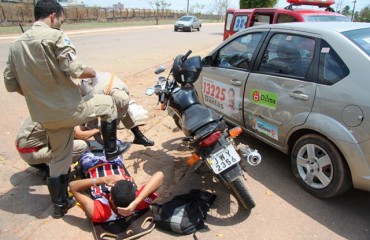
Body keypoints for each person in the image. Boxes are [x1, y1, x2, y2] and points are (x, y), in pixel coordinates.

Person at [3, 0, 129, 218]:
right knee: (109, 104)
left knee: (60, 159)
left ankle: (60, 205)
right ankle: (111, 150)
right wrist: (92, 72)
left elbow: (11, 84)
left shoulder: (15, 46)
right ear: (53, 15)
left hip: (45, 117)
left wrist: (39, 97)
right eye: (61, 19)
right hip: (69, 110)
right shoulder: (56, 36)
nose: (61, 23)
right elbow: (75, 68)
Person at [69, 151, 164, 222]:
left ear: (110, 198)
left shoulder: (101, 212)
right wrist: (136, 202)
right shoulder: (138, 203)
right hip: (115, 163)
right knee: (111, 143)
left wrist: (101, 180)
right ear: (135, 195)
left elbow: (72, 186)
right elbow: (160, 175)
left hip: (92, 163)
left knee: (87, 147)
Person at [79, 72, 154, 146]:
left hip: (107, 86)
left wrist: (120, 113)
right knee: (87, 117)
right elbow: (92, 121)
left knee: (123, 108)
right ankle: (78, 134)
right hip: (86, 91)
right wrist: (102, 142)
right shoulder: (95, 94)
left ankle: (138, 136)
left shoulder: (123, 88)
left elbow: (123, 105)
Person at [15, 117, 94, 178]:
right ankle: (59, 169)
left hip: (30, 147)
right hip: (31, 153)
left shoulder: (45, 108)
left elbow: (76, 130)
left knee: (67, 136)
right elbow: (82, 135)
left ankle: (46, 164)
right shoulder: (57, 117)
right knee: (83, 145)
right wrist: (98, 130)